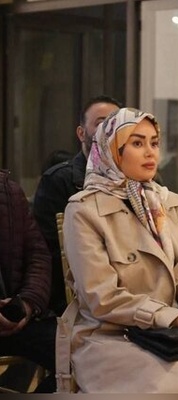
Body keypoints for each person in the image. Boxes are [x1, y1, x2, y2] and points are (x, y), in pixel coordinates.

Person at [61, 107, 178, 393]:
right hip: (112, 335)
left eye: (154, 143)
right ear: (112, 150)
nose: (150, 152)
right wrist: (171, 317)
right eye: (137, 143)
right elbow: (101, 297)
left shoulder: (170, 203)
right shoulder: (83, 210)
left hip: (175, 333)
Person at [33, 95, 122, 315]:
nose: (109, 130)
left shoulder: (141, 182)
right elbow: (51, 253)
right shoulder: (59, 180)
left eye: (116, 123)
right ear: (82, 133)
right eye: (101, 123)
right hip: (79, 299)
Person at [0, 169, 56, 392]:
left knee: (83, 355)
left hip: (13, 316)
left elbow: (38, 256)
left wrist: (27, 303)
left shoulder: (8, 192)